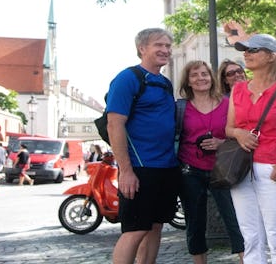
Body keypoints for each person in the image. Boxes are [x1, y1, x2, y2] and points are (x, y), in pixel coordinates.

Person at [105, 27, 180, 264]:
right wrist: (126, 171)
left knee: (155, 227)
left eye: (168, 46)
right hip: (140, 167)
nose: (165, 50)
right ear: (142, 48)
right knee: (135, 229)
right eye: (159, 45)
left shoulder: (164, 83)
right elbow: (114, 125)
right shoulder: (128, 78)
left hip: (166, 166)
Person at [226, 34, 276, 264]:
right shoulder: (237, 90)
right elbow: (229, 128)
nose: (246, 54)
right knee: (250, 236)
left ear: (271, 56)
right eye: (245, 50)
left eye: (253, 49)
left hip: (275, 169)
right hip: (241, 169)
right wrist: (239, 133)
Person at [176, 60, 245, 264]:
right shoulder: (180, 107)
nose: (201, 78)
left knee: (234, 218)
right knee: (195, 222)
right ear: (187, 81)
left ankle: (246, 259)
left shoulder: (227, 102)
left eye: (205, 74)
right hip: (190, 169)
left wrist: (222, 143)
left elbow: (239, 132)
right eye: (195, 75)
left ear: (211, 77)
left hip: (223, 168)